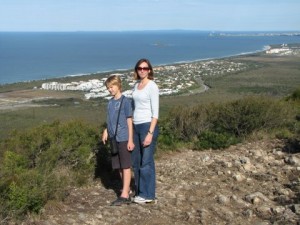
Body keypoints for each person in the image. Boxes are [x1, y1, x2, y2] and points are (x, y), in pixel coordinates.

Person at [102, 75, 135, 206]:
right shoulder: (110, 103)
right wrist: (106, 130)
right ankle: (127, 189)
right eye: (108, 88)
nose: (110, 90)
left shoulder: (125, 101)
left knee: (126, 166)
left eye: (112, 87)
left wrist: (130, 140)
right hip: (114, 138)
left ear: (118, 85)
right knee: (119, 167)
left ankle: (125, 194)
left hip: (124, 138)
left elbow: (129, 121)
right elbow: (110, 120)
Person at [131, 58, 159, 204]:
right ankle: (141, 192)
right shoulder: (136, 86)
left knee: (146, 162)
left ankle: (148, 195)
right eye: (140, 68)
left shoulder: (152, 86)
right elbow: (133, 107)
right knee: (137, 161)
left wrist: (150, 133)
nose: (142, 70)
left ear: (149, 70)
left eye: (145, 68)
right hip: (136, 126)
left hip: (147, 126)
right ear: (136, 70)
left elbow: (156, 113)